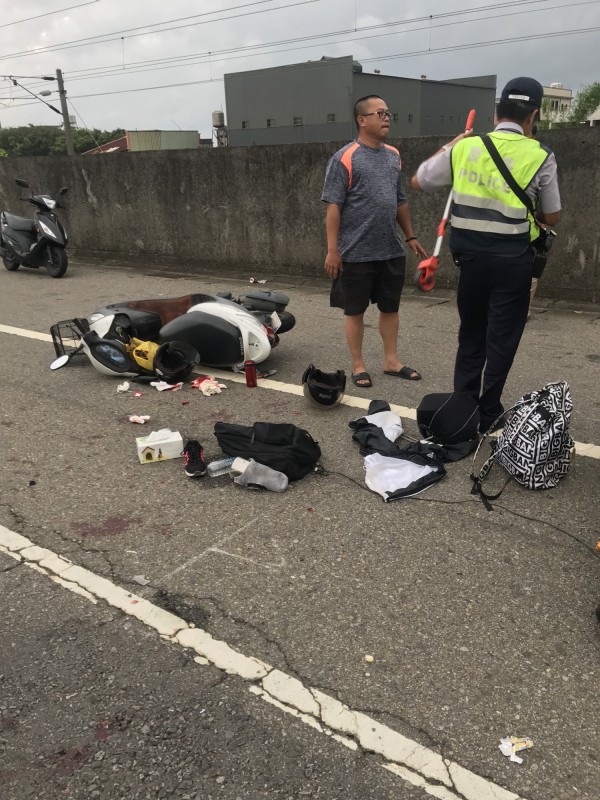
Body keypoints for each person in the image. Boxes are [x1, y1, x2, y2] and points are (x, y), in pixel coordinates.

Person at [411, 77, 561, 431]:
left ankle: (462, 407)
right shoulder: (540, 155)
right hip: (514, 263)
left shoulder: (466, 148)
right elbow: (552, 215)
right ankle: (489, 410)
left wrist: (454, 143)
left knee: (472, 334)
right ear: (534, 115)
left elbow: (420, 179)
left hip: (471, 261)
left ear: (496, 113)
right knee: (502, 339)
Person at [322, 94, 427, 388]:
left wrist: (410, 236)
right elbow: (333, 207)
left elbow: (399, 200)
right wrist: (333, 250)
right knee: (354, 311)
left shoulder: (393, 155)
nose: (386, 118)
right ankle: (358, 364)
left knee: (390, 308)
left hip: (390, 249)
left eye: (388, 113)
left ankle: (391, 360)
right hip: (354, 252)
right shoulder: (344, 158)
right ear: (362, 120)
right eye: (379, 113)